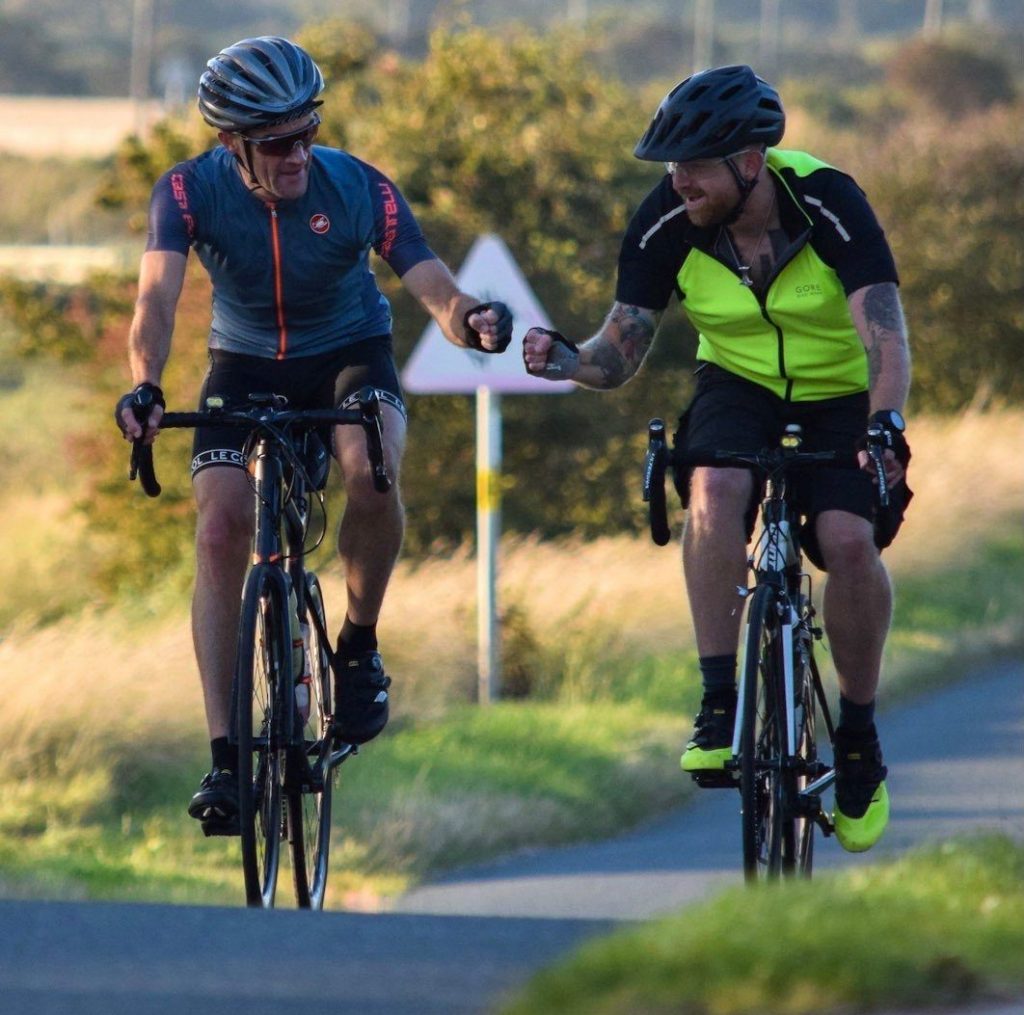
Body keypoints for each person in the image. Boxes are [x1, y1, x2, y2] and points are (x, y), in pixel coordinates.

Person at [115, 37, 512, 833]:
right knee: (222, 525)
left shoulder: (358, 184)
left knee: (372, 471)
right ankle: (227, 757)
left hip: (348, 353)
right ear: (232, 144)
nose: (299, 154)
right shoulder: (188, 192)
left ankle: (358, 645)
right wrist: (147, 384)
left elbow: (430, 283)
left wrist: (472, 320)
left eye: (308, 131)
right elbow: (156, 299)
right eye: (276, 143)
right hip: (244, 363)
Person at [523, 65, 912, 853]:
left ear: (750, 160)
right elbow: (620, 351)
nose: (679, 182)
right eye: (671, 167)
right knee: (715, 484)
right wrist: (567, 360)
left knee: (845, 539)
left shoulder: (831, 200)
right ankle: (714, 698)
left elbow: (887, 341)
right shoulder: (667, 218)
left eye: (694, 166)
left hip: (840, 390)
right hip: (736, 380)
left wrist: (882, 428)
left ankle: (860, 741)